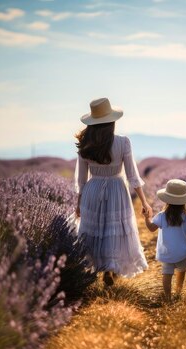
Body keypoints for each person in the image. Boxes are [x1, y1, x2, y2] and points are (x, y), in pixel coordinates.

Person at [74, 97, 152, 286]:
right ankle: (111, 267)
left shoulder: (85, 145)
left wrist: (78, 204)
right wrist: (144, 201)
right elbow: (133, 175)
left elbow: (81, 180)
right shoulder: (123, 142)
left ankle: (100, 267)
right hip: (117, 189)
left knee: (96, 229)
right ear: (112, 121)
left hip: (93, 190)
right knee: (114, 229)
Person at [143, 179, 186, 302]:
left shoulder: (162, 216)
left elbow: (151, 228)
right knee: (181, 271)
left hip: (167, 253)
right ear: (184, 201)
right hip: (183, 253)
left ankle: (168, 298)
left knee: (166, 274)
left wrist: (147, 218)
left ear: (167, 200)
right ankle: (178, 292)